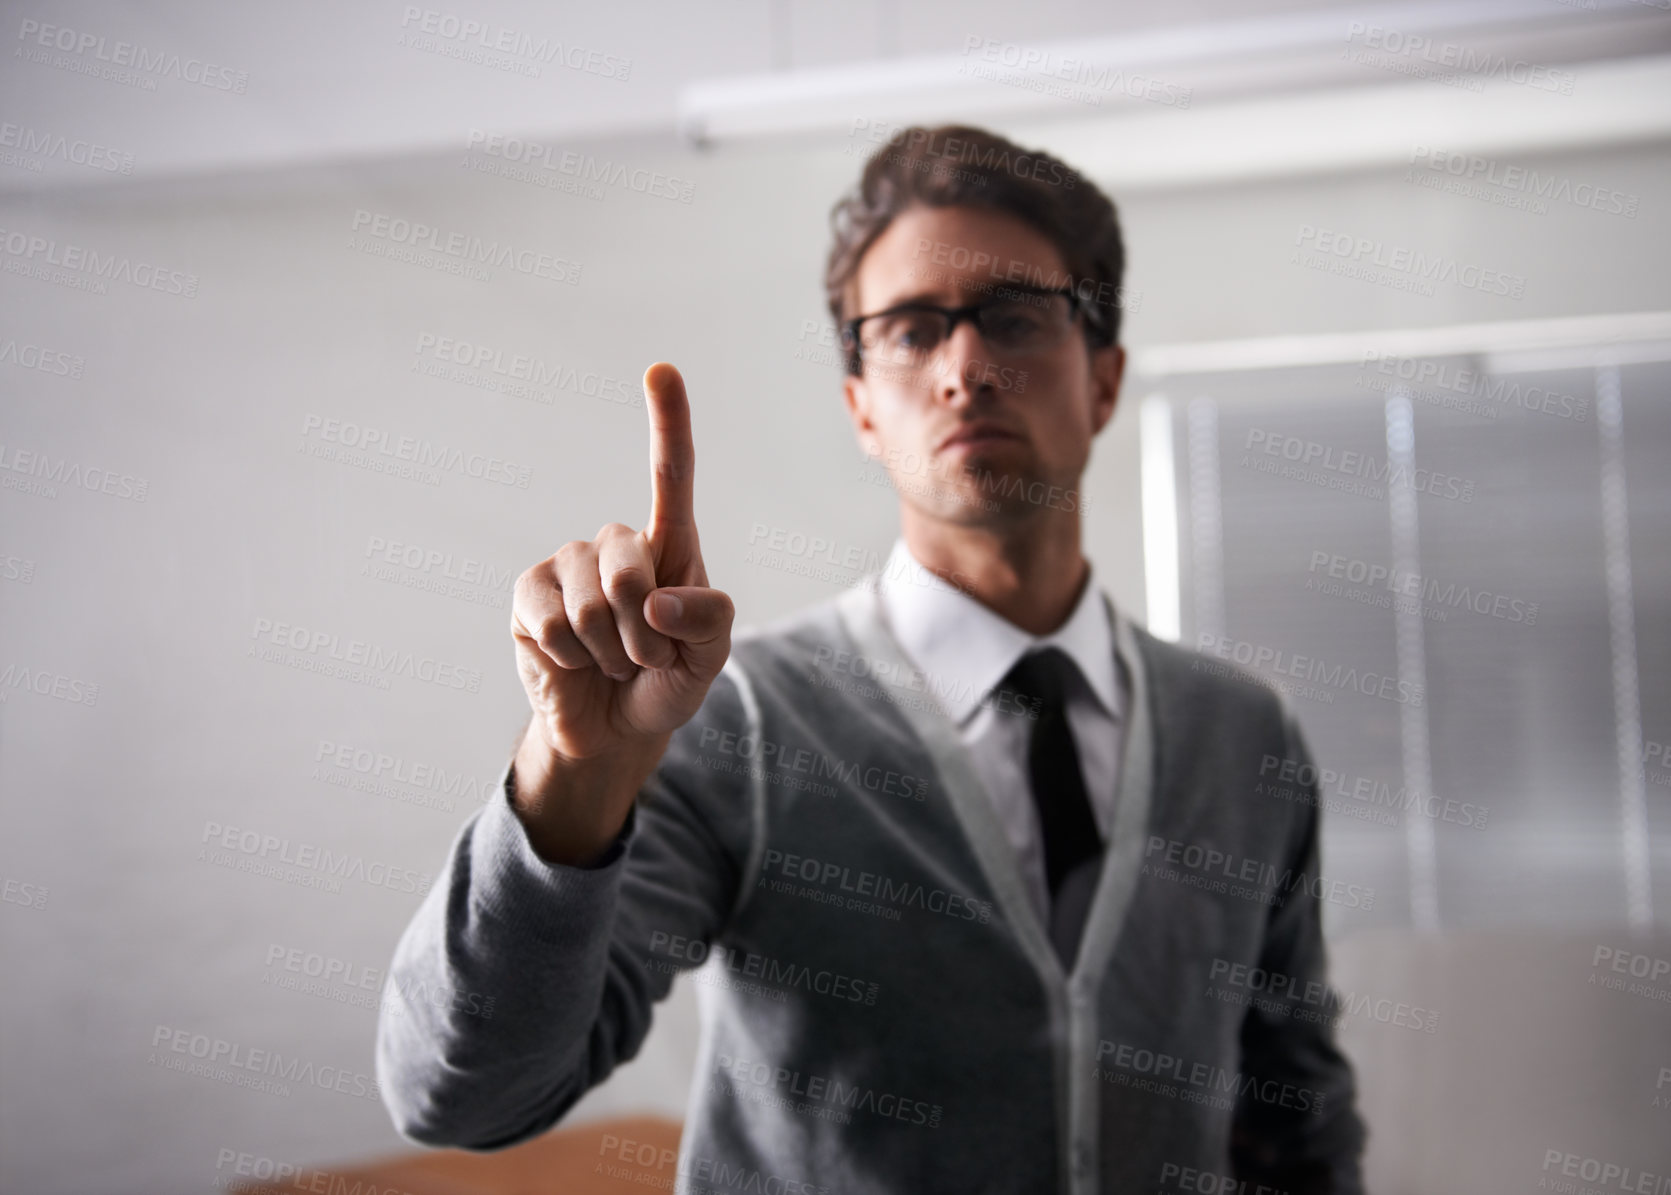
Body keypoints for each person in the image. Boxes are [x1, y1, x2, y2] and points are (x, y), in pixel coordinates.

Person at [376, 123, 1368, 1194]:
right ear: (859, 401)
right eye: (910, 330)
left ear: (1106, 379)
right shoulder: (735, 718)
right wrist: (569, 775)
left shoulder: (1239, 731)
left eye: (1018, 317)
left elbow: (1292, 1115)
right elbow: (461, 1092)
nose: (967, 367)